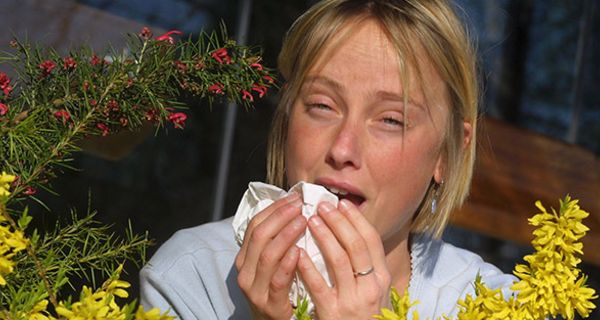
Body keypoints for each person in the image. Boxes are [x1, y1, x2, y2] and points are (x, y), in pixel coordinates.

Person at [140, 0, 516, 319]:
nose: (342, 149)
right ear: (287, 115)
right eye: (322, 106)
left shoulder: (497, 306)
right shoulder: (194, 275)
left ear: (448, 153)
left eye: (390, 120)